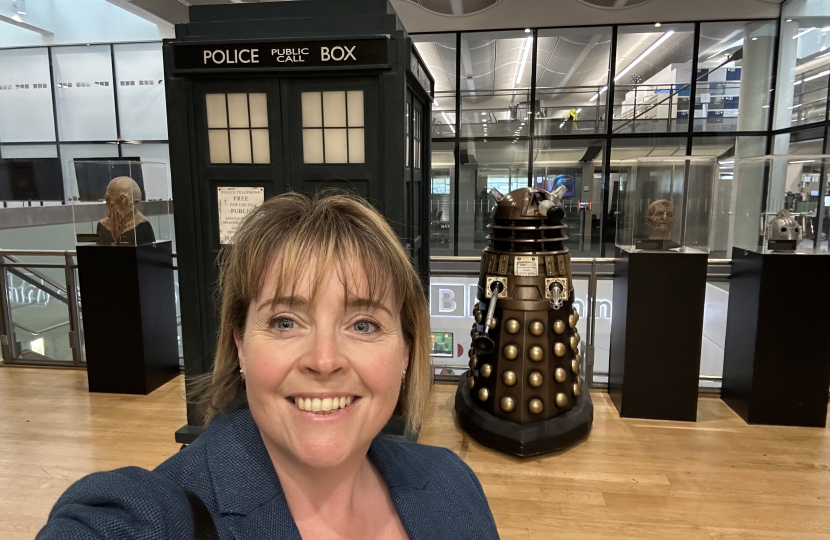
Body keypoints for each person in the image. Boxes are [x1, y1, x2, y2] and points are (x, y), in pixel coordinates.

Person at [38, 191, 499, 539]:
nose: (323, 360)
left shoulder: (451, 483)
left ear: (405, 352)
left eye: (363, 325)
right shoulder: (158, 512)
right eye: (285, 322)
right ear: (239, 344)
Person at [96, 176, 156, 246]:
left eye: (120, 200)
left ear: (134, 202)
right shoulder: (103, 226)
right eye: (108, 199)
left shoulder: (142, 226)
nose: (113, 204)